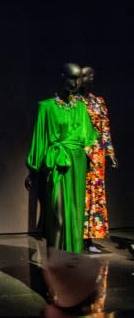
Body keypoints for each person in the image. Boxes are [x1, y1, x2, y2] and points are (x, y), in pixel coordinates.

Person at [25, 63, 96, 254]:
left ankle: (74, 260)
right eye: (72, 78)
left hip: (78, 164)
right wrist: (32, 171)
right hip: (56, 163)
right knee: (57, 215)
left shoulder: (81, 107)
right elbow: (39, 140)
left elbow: (89, 137)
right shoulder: (46, 107)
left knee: (75, 212)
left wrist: (89, 157)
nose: (75, 83)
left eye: (79, 78)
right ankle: (56, 261)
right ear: (62, 76)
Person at [76, 66, 118, 253]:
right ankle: (76, 235)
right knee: (80, 193)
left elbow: (105, 129)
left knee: (95, 195)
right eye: (84, 75)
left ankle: (90, 237)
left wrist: (110, 153)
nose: (87, 78)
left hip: (97, 155)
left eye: (90, 75)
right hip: (79, 152)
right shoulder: (73, 102)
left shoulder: (98, 102)